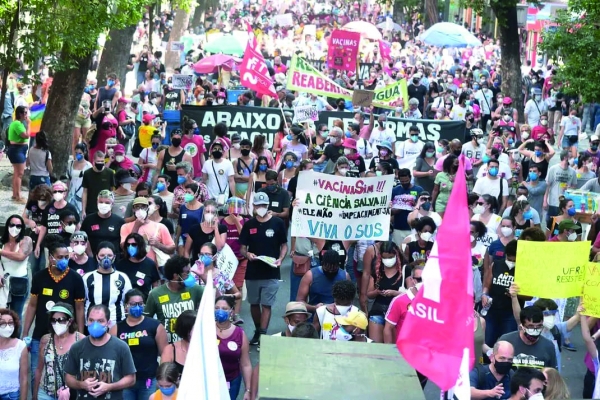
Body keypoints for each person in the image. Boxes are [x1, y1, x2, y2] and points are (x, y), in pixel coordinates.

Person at [239, 192, 288, 348]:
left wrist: (281, 258)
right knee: (254, 303)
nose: (260, 208)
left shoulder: (278, 223)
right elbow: (242, 248)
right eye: (258, 205)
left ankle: (263, 334)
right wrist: (248, 254)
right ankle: (258, 330)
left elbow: (284, 245)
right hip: (253, 270)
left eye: (263, 206)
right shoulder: (249, 225)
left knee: (266, 304)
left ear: (268, 206)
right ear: (253, 207)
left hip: (271, 270)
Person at [64, 304, 136, 399]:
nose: (95, 325)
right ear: (87, 321)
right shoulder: (77, 347)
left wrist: (109, 387)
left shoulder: (121, 347)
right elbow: (68, 378)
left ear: (108, 323)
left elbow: (131, 379)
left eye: (100, 321)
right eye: (91, 320)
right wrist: (82, 384)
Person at [110, 289, 168, 400]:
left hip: (149, 380)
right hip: (125, 380)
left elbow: (165, 354)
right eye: (133, 304)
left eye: (140, 304)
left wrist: (162, 378)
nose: (137, 306)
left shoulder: (155, 325)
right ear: (126, 306)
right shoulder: (116, 328)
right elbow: (112, 356)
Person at [145, 255, 204, 343]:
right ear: (176, 276)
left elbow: (216, 297)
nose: (190, 276)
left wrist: (203, 276)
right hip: (166, 346)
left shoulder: (194, 289)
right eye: (187, 273)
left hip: (191, 344)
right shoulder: (155, 294)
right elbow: (146, 320)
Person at [33, 303, 84, 400]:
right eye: (53, 320)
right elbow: (39, 369)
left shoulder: (81, 340)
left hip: (72, 395)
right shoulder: (45, 340)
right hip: (46, 394)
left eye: (61, 320)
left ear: (70, 321)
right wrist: (35, 394)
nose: (57, 323)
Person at [83, 241, 132, 326]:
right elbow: (81, 303)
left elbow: (128, 302)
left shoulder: (122, 277)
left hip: (117, 325)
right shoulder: (87, 278)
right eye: (102, 255)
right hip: (93, 325)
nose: (106, 258)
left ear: (114, 257)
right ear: (97, 257)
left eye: (109, 255)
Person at [364, 241, 404, 343]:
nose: (388, 260)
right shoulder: (377, 271)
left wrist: (394, 293)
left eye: (390, 257)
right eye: (385, 258)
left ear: (396, 255)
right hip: (378, 311)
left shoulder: (404, 270)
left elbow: (411, 294)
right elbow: (369, 294)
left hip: (397, 314)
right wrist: (377, 292)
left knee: (393, 348)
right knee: (376, 347)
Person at [214, 296, 252, 400]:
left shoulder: (240, 334)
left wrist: (248, 390)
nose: (220, 311)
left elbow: (245, 364)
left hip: (231, 380)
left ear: (231, 311)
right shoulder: (206, 330)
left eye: (224, 309)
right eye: (217, 308)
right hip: (209, 380)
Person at [120, 197, 175, 265]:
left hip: (154, 266)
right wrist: (136, 227)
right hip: (132, 265)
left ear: (147, 209)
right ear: (133, 209)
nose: (140, 210)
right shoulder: (125, 226)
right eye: (137, 207)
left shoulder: (160, 226)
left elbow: (172, 249)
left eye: (143, 207)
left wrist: (159, 245)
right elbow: (123, 247)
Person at [1, 214, 33, 323]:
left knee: (16, 316)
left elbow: (20, 256)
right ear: (7, 226)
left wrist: (0, 252)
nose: (15, 228)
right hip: (2, 282)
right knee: (2, 314)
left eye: (19, 226)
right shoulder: (2, 241)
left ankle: (15, 339)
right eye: (12, 225)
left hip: (19, 282)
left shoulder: (26, 240)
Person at [80, 190, 125, 258]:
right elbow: (82, 239)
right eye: (101, 202)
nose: (103, 205)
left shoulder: (119, 221)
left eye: (107, 202)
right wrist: (90, 256)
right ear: (97, 202)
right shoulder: (88, 220)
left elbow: (123, 244)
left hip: (114, 260)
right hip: (93, 259)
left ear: (112, 204)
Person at [116, 233, 160, 298]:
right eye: (128, 245)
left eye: (134, 244)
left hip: (144, 303)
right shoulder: (120, 264)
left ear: (140, 246)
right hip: (125, 303)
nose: (130, 247)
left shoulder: (150, 264)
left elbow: (155, 286)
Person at [0, 308, 28, 400]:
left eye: (10, 323)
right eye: (3, 323)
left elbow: (24, 378)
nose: (7, 326)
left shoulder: (20, 346)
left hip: (10, 396)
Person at [23, 184, 51, 274]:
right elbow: (23, 217)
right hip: (34, 237)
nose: (42, 202)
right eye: (40, 199)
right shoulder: (32, 202)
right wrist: (30, 222)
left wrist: (42, 227)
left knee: (43, 265)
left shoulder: (52, 205)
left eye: (44, 200)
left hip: (47, 237)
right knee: (33, 264)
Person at [544, 150, 577, 224]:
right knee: (550, 224)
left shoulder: (573, 171)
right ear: (565, 158)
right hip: (553, 202)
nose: (573, 159)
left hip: (565, 205)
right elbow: (547, 186)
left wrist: (569, 187)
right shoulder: (553, 169)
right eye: (571, 157)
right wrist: (545, 200)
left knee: (562, 225)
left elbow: (574, 187)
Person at [391, 169, 423, 244]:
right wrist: (396, 209)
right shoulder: (394, 190)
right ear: (399, 179)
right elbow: (389, 209)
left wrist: (416, 205)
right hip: (398, 228)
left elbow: (424, 209)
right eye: (402, 182)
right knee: (398, 250)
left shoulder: (419, 190)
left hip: (413, 228)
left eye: (406, 181)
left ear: (410, 178)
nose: (405, 183)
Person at [159, 310, 196, 376]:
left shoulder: (207, 349)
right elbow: (163, 378)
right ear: (185, 329)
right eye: (195, 328)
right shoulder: (170, 350)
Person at [82, 151, 116, 217]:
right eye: (98, 161)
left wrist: (112, 207)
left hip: (105, 207)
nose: (100, 163)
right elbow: (85, 192)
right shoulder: (87, 173)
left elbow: (112, 191)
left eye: (102, 161)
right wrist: (83, 210)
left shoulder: (110, 173)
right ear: (94, 161)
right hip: (91, 208)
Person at [7, 105, 30, 202]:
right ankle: (18, 196)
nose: (26, 115)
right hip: (17, 150)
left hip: (18, 150)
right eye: (25, 113)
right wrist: (29, 124)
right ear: (20, 114)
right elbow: (26, 135)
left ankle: (15, 194)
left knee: (16, 173)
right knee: (20, 173)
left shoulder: (17, 123)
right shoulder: (17, 124)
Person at [67, 143, 93, 214]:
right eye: (76, 153)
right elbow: (68, 180)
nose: (77, 155)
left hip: (81, 196)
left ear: (84, 152)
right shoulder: (70, 164)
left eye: (80, 153)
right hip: (70, 196)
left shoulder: (88, 166)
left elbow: (89, 184)